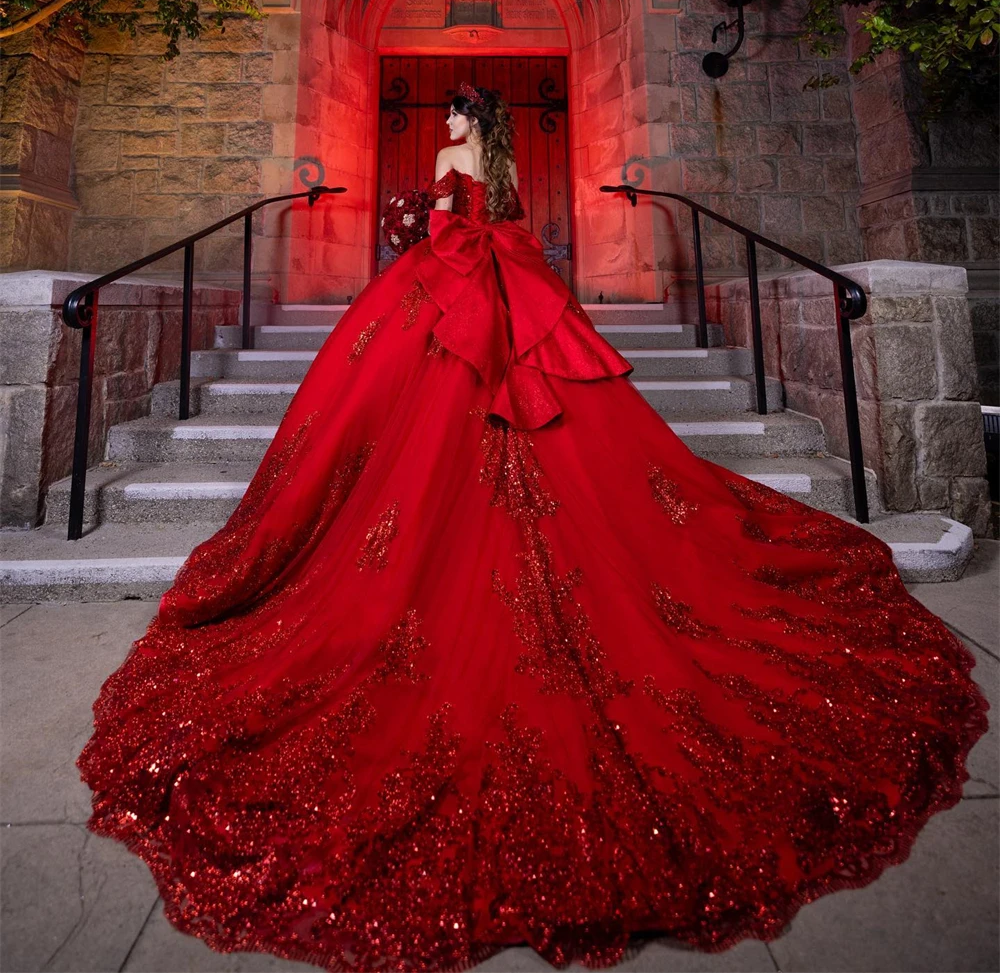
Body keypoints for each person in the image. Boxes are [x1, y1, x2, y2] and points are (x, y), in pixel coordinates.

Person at [77, 83, 990, 972]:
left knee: (421, 427)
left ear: (473, 123)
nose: (447, 123)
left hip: (461, 296)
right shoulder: (504, 169)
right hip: (497, 289)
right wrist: (440, 235)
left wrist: (417, 232)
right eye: (449, 114)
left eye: (457, 113)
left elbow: (442, 230)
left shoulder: (448, 162)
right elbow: (483, 228)